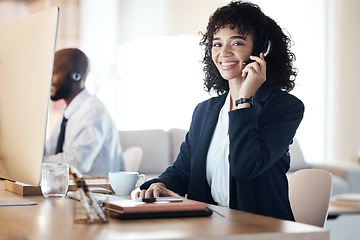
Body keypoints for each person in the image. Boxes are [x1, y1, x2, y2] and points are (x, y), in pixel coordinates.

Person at [135, 0, 304, 221]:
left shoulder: (285, 107)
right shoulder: (205, 111)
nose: (223, 53)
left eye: (236, 43)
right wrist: (159, 184)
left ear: (261, 51)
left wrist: (245, 99)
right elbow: (183, 169)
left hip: (260, 228)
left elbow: (245, 167)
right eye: (217, 44)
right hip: (208, 224)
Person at [44, 48, 124, 176]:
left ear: (76, 76)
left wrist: (40, 163)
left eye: (54, 72)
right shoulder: (68, 113)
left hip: (97, 192)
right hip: (74, 190)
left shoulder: (93, 110)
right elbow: (51, 150)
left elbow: (76, 163)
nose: (49, 80)